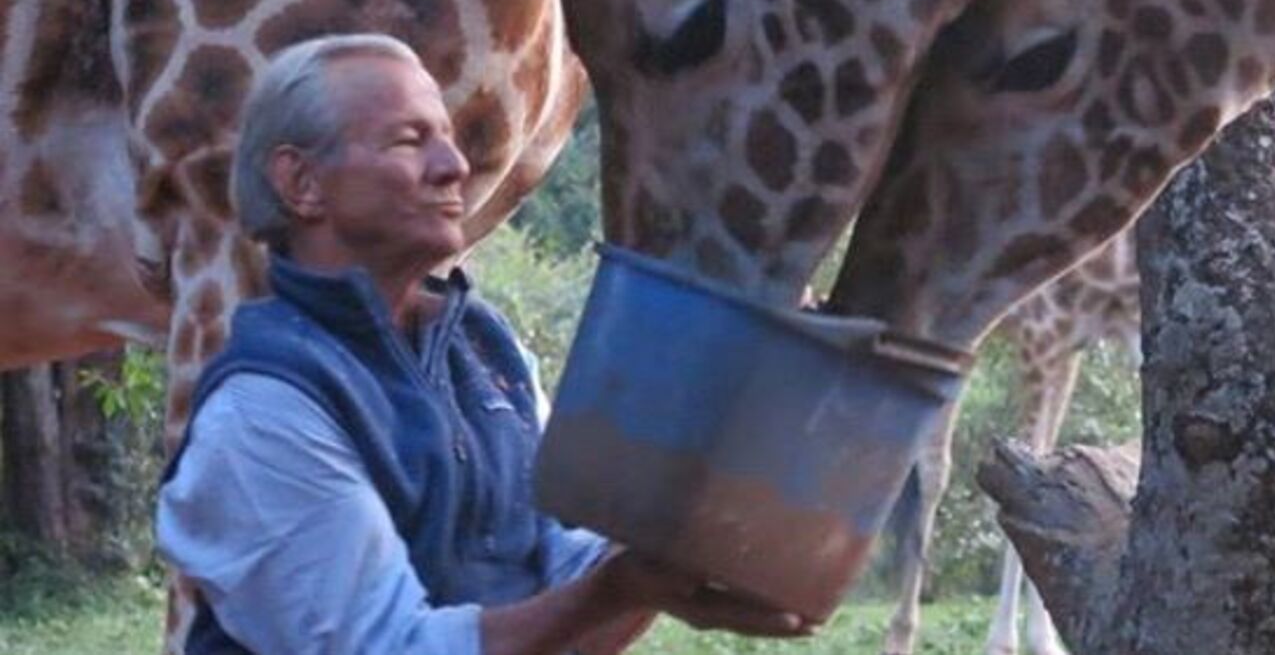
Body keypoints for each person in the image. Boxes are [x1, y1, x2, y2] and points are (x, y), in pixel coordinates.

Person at [157, 33, 814, 655]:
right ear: (301, 183)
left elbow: (575, 567)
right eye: (410, 141)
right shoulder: (264, 410)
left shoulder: (483, 347)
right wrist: (623, 585)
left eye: (446, 137)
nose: (454, 167)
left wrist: (695, 504)